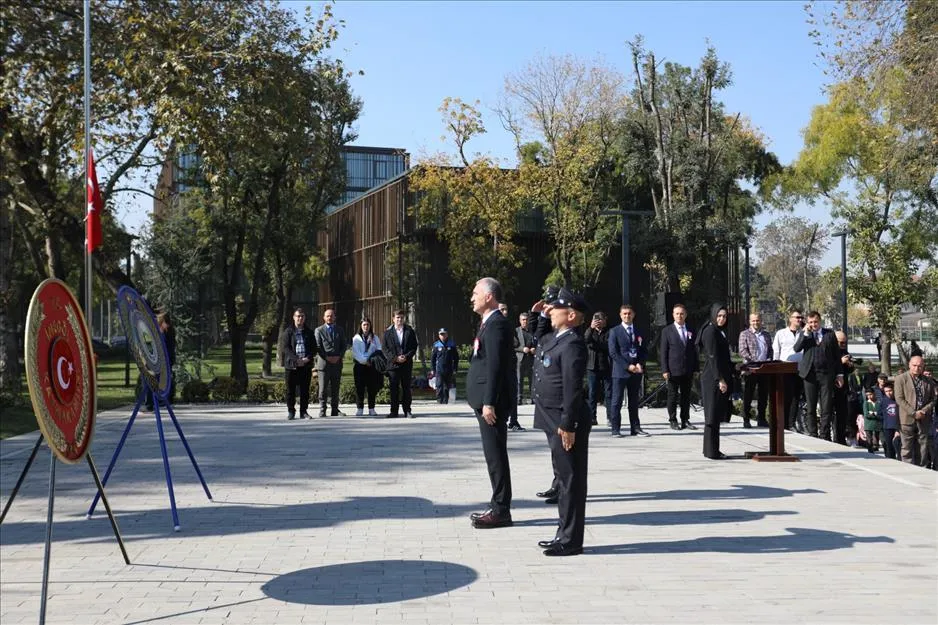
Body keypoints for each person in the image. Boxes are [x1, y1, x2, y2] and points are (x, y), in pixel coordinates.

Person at [529, 288, 591, 557]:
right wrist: (540, 315)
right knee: (564, 479)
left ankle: (571, 540)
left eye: (556, 308)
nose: (550, 310)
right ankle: (563, 534)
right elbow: (540, 339)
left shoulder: (573, 344)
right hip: (551, 417)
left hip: (564, 421)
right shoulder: (557, 338)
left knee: (571, 482)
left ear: (572, 314)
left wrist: (568, 425)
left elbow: (573, 388)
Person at [467, 278, 515, 529]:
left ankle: (501, 509)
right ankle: (497, 504)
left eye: (475, 293)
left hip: (491, 404)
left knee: (496, 455)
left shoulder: (496, 324)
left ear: (489, 297)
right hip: (486, 401)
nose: (471, 297)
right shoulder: (488, 323)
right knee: (492, 455)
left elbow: (496, 367)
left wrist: (489, 403)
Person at [793, 311, 844, 440]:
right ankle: (813, 433)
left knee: (826, 406)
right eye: (810, 322)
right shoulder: (805, 334)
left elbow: (836, 356)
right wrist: (805, 333)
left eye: (815, 322)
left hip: (826, 375)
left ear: (819, 321)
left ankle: (824, 434)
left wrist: (839, 374)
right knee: (811, 405)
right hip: (810, 374)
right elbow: (796, 348)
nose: (813, 324)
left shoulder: (829, 334)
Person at [698, 304, 734, 459]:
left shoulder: (719, 331)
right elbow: (713, 358)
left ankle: (711, 450)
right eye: (719, 316)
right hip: (713, 379)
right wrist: (720, 379)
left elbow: (723, 358)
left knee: (715, 416)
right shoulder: (710, 331)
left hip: (718, 376)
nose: (721, 319)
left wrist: (735, 367)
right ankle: (711, 451)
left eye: (724, 316)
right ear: (713, 315)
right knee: (712, 416)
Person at [608, 304, 648, 437]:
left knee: (634, 402)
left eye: (629, 313)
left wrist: (640, 364)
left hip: (635, 371)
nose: (627, 316)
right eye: (624, 313)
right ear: (620, 315)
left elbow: (643, 350)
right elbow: (613, 353)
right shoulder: (615, 331)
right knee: (616, 401)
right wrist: (627, 366)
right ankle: (615, 429)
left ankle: (635, 428)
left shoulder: (639, 331)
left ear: (633, 315)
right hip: (620, 371)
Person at [659, 303, 699, 430]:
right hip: (673, 369)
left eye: (682, 313)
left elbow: (695, 350)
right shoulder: (667, 331)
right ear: (673, 315)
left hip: (687, 369)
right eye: (677, 313)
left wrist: (696, 368)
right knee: (672, 395)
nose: (679, 316)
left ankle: (685, 419)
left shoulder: (691, 330)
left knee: (686, 396)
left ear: (685, 315)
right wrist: (665, 369)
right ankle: (672, 419)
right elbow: (663, 351)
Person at [894, 355, 935, 467]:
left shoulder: (929, 381)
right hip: (907, 419)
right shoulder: (900, 379)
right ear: (909, 365)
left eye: (920, 366)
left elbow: (933, 399)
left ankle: (921, 470)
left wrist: (923, 411)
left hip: (923, 419)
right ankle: (906, 471)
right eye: (914, 365)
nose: (917, 368)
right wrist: (913, 413)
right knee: (906, 448)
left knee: (922, 449)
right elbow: (899, 398)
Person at [278, 307, 315, 420]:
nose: (300, 318)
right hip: (292, 366)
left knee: (305, 390)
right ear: (294, 318)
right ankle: (291, 411)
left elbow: (313, 348)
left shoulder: (309, 332)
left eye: (302, 316)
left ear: (304, 318)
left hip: (305, 365)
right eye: (298, 316)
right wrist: (296, 359)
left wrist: (307, 358)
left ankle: (303, 411)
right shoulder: (288, 332)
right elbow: (286, 348)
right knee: (291, 390)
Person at [737, 313, 773, 428]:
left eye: (757, 320)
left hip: (764, 368)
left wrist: (769, 359)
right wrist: (753, 361)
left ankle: (761, 419)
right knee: (748, 394)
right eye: (753, 321)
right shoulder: (744, 334)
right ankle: (746, 419)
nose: (755, 323)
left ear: (761, 321)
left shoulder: (766, 335)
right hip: (750, 369)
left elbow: (770, 350)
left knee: (763, 395)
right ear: (749, 321)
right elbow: (742, 350)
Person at [772, 310, 805, 432]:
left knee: (796, 397)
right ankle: (783, 422)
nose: (799, 319)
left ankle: (791, 423)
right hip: (785, 369)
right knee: (786, 397)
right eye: (797, 317)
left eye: (801, 317)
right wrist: (775, 367)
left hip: (800, 369)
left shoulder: (804, 333)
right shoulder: (781, 333)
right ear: (790, 319)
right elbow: (776, 351)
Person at [382, 310, 419, 418]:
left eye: (401, 318)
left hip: (406, 364)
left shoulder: (409, 331)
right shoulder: (387, 333)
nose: (399, 320)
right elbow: (385, 348)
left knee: (406, 388)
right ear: (393, 319)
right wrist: (395, 358)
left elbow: (414, 346)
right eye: (397, 317)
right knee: (394, 388)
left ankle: (407, 410)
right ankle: (394, 411)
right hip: (393, 365)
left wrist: (406, 357)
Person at [314, 308, 348, 418]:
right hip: (324, 363)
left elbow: (344, 345)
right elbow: (318, 346)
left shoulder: (340, 330)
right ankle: (322, 409)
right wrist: (327, 357)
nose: (329, 318)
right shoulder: (319, 330)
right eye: (327, 316)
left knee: (335, 388)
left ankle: (335, 410)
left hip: (337, 363)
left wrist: (339, 357)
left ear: (335, 317)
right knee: (323, 388)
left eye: (331, 316)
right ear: (324, 318)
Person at [584, 311, 612, 427]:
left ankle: (610, 417)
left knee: (609, 393)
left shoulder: (610, 331)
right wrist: (591, 328)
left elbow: (608, 345)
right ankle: (592, 417)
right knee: (592, 393)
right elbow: (586, 340)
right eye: (596, 320)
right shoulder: (590, 331)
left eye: (601, 320)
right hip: (592, 366)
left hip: (606, 366)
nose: (599, 322)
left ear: (605, 320)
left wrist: (595, 345)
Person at [145, 311, 177, 411]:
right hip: (158, 360)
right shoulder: (158, 330)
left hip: (164, 360)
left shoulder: (168, 331)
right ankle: (152, 402)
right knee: (154, 380)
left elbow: (168, 347)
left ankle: (159, 401)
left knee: (161, 381)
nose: (165, 325)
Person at [351, 317, 382, 416]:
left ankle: (371, 408)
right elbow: (356, 353)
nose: (366, 327)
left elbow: (379, 350)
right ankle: (360, 408)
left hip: (371, 366)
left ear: (370, 326)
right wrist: (365, 361)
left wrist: (370, 360)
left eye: (367, 325)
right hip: (359, 366)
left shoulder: (375, 338)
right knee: (359, 387)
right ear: (361, 326)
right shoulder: (356, 338)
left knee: (371, 388)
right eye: (364, 325)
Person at [430, 328, 459, 404]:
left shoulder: (451, 344)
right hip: (439, 369)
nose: (443, 336)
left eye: (444, 334)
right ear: (439, 335)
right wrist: (432, 369)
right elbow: (433, 359)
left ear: (447, 334)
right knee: (439, 385)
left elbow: (456, 358)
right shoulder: (436, 345)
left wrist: (455, 368)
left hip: (449, 369)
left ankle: (446, 400)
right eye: (441, 334)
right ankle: (439, 400)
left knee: (447, 386)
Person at [514, 312, 536, 406]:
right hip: (520, 359)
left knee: (532, 380)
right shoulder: (516, 331)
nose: (525, 321)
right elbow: (513, 346)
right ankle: (519, 398)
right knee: (519, 380)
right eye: (523, 320)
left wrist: (535, 349)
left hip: (531, 358)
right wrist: (522, 349)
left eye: (526, 320)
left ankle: (533, 398)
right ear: (520, 321)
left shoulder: (532, 331)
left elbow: (538, 343)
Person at [878, 382, 901, 460]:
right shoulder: (883, 401)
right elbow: (879, 414)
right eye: (886, 391)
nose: (889, 393)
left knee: (898, 445)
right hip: (887, 427)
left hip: (898, 426)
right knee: (889, 446)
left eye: (890, 390)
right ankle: (890, 459)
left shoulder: (898, 400)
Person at [861, 388, 881, 453]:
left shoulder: (878, 403)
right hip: (868, 424)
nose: (869, 396)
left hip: (877, 424)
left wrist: (873, 414)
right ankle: (870, 450)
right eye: (867, 395)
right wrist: (875, 415)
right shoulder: (866, 403)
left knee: (876, 437)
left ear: (874, 394)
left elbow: (880, 413)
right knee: (869, 439)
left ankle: (875, 447)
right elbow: (866, 414)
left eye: (870, 394)